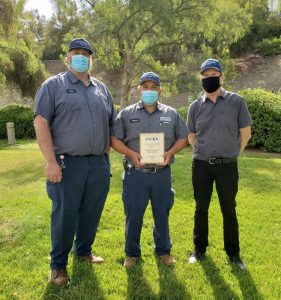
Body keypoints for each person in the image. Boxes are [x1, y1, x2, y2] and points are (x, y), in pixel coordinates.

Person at [34, 38, 115, 286]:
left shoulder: (101, 89)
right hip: (66, 164)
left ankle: (83, 252)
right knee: (64, 216)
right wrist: (50, 162)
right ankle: (57, 267)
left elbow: (111, 124)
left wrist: (106, 156)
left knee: (91, 212)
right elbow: (41, 122)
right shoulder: (53, 86)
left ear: (91, 59)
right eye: (76, 52)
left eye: (85, 53)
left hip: (98, 164)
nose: (80, 56)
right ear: (67, 57)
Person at [111, 72, 188, 269]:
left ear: (160, 90)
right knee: (134, 215)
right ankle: (132, 254)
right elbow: (114, 139)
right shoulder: (127, 114)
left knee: (162, 214)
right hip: (135, 174)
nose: (149, 91)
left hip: (162, 174)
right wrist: (130, 153)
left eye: (154, 87)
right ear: (138, 90)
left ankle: (163, 251)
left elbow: (184, 138)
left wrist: (170, 152)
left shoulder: (171, 114)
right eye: (145, 87)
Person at [187, 58, 252, 269]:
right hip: (201, 166)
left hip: (227, 166)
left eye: (213, 74)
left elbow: (245, 133)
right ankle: (199, 250)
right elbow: (191, 134)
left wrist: (234, 153)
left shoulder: (236, 102)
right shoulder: (195, 106)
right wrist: (200, 150)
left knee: (229, 209)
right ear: (201, 78)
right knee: (200, 209)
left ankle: (234, 254)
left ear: (221, 77)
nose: (209, 78)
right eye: (205, 75)